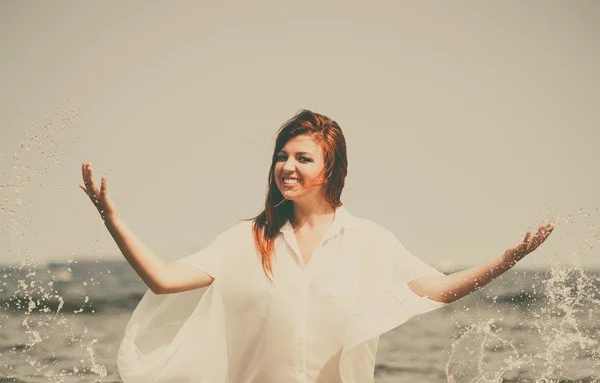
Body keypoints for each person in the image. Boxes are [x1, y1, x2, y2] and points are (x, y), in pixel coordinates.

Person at [79, 110, 554, 383]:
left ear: (331, 169)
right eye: (281, 157)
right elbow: (163, 281)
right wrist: (112, 220)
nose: (287, 166)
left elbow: (439, 289)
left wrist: (508, 259)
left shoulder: (368, 241)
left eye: (303, 158)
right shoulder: (247, 239)